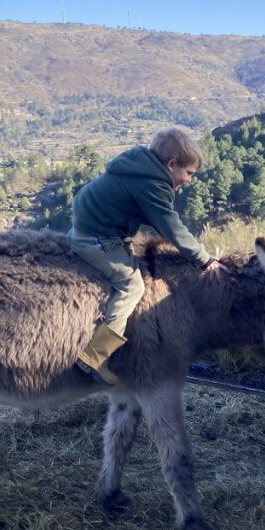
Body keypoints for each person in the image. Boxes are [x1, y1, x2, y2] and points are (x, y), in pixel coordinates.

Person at [68, 127, 227, 385]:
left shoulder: (140, 165)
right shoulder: (151, 185)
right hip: (96, 237)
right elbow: (172, 227)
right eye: (189, 173)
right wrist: (205, 259)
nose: (190, 180)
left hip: (88, 223)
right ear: (172, 164)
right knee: (131, 286)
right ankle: (95, 358)